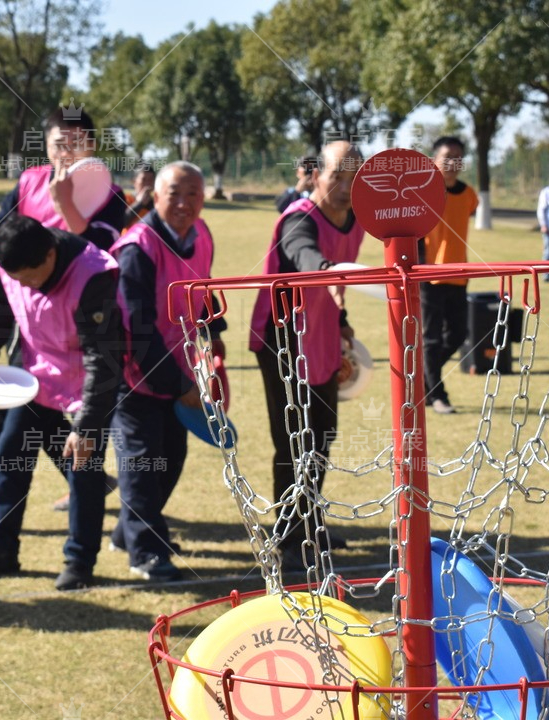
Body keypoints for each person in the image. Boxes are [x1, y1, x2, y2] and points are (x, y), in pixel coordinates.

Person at [0, 106, 125, 529]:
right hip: (30, 321)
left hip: (82, 323)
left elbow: (97, 251)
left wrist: (64, 204)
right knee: (22, 412)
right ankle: (74, 482)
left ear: (91, 146)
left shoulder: (108, 193)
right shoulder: (30, 180)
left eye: (76, 144)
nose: (66, 153)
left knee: (24, 414)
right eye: (60, 143)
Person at [0, 214, 122, 590]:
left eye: (30, 276)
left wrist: (87, 426)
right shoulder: (8, 261)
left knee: (83, 465)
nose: (24, 285)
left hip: (87, 376)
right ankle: (1, 546)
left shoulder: (93, 275)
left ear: (49, 254)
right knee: (10, 450)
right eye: (17, 277)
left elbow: (103, 357)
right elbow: (1, 303)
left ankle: (79, 561)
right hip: (34, 370)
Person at [249, 141, 364, 571]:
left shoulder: (357, 220)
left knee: (322, 434)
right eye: (338, 175)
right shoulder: (298, 219)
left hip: (321, 334)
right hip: (282, 337)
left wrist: (342, 318)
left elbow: (337, 277)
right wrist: (326, 272)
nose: (347, 186)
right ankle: (289, 534)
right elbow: (305, 256)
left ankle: (309, 519)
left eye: (356, 177)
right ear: (316, 175)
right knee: (293, 440)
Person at [107, 161, 225, 582]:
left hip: (179, 367)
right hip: (133, 373)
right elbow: (135, 328)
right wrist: (180, 386)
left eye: (193, 193)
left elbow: (204, 290)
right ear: (154, 196)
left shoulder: (202, 234)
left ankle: (129, 531)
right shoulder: (138, 247)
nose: (184, 202)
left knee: (171, 459)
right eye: (174, 192)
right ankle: (145, 552)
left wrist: (215, 335)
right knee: (142, 464)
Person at [421, 137, 480, 415]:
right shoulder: (422, 192)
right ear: (434, 159)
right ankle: (437, 394)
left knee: (458, 335)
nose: (453, 162)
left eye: (458, 157)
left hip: (458, 274)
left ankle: (423, 382)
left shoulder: (469, 194)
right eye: (447, 156)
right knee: (430, 339)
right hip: (429, 277)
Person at [123, 164, 156, 230]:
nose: (147, 183)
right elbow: (122, 222)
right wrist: (139, 203)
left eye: (151, 180)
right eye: (144, 180)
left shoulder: (157, 203)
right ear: (134, 182)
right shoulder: (126, 199)